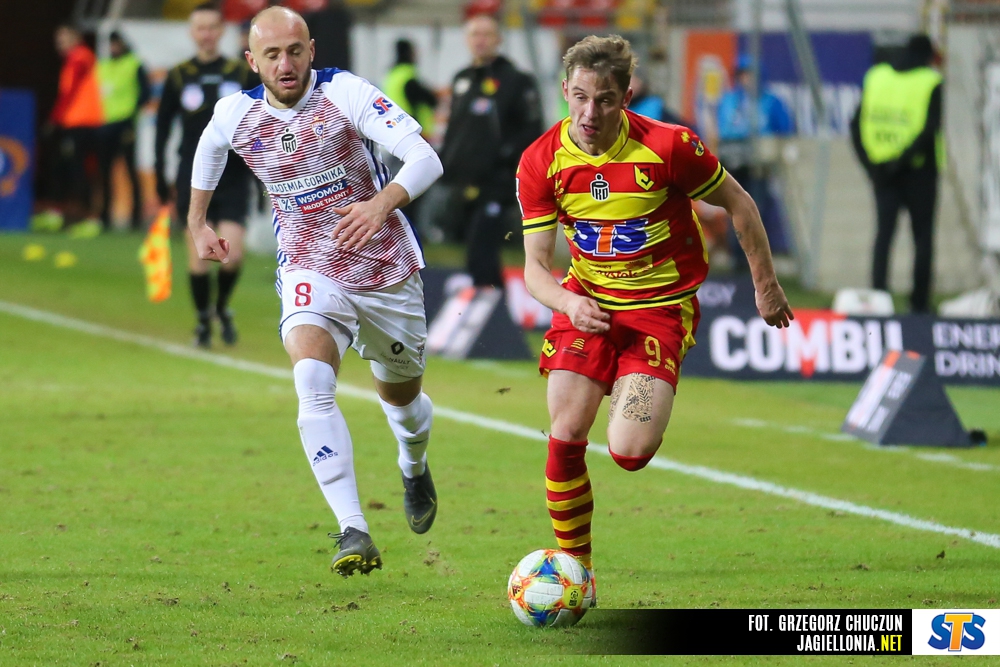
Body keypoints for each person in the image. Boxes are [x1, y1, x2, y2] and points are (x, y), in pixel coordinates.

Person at [517, 35, 793, 577]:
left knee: (629, 452)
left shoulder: (669, 147)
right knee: (565, 432)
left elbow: (739, 203)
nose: (589, 113)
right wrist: (569, 302)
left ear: (626, 97)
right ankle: (577, 574)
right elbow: (534, 269)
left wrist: (766, 286)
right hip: (586, 305)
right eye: (579, 98)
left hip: (658, 310)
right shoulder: (540, 161)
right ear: (565, 91)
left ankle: (632, 380)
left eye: (604, 100)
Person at [188, 6, 443, 577]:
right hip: (309, 265)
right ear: (253, 62)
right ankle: (353, 527)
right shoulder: (236, 112)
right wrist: (197, 221)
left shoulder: (346, 94)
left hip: (385, 269)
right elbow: (209, 148)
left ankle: (413, 464)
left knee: (403, 401)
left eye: (295, 51)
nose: (285, 64)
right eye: (272, 55)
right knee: (311, 378)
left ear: (311, 51)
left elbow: (425, 158)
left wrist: (380, 205)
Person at [155, 2, 257, 348]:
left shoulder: (240, 73)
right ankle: (202, 321)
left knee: (233, 255)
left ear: (222, 30)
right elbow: (163, 127)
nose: (207, 34)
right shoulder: (179, 75)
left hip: (234, 175)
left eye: (212, 27)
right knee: (200, 254)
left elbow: (260, 125)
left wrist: (263, 175)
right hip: (192, 176)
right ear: (192, 32)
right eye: (200, 28)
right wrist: (160, 173)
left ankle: (221, 307)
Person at [439, 13, 543, 287]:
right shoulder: (462, 79)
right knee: (469, 244)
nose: (480, 40)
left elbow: (532, 129)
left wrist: (506, 156)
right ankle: (489, 297)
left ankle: (488, 293)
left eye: (487, 34)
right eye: (475, 34)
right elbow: (455, 127)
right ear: (467, 39)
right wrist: (445, 161)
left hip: (498, 179)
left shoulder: (517, 80)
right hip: (463, 178)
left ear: (499, 39)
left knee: (483, 240)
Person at [851, 35, 942, 314]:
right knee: (922, 238)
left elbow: (855, 124)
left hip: (881, 171)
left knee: (884, 235)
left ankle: (879, 300)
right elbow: (930, 130)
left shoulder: (877, 76)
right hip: (918, 171)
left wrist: (870, 165)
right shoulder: (930, 81)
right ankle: (919, 304)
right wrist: (900, 161)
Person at [42, 25, 104, 234]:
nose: (60, 45)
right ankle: (64, 213)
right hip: (75, 122)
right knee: (70, 167)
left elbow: (69, 93)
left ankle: (86, 217)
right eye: (58, 41)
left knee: (79, 170)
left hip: (82, 122)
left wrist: (54, 119)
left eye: (64, 39)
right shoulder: (74, 59)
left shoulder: (80, 57)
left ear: (76, 38)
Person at [96, 31, 151, 231]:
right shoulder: (103, 66)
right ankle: (104, 216)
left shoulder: (134, 64)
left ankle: (136, 216)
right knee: (104, 171)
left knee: (130, 170)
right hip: (105, 124)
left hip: (126, 123)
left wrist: (133, 111)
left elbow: (145, 93)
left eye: (116, 44)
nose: (114, 48)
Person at [383, 39, 437, 141]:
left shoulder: (391, 75)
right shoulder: (407, 75)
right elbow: (427, 99)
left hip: (395, 130)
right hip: (413, 131)